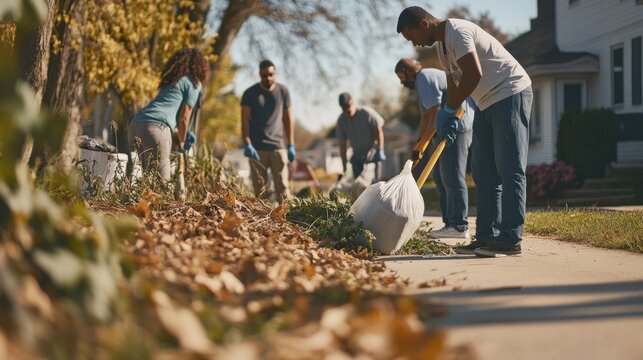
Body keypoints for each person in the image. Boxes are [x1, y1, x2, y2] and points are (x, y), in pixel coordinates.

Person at [397, 6, 533, 257]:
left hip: (509, 92)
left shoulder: (457, 32)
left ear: (424, 24)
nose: (415, 44)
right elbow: (454, 83)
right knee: (484, 173)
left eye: (411, 36)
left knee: (509, 167)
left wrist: (447, 110)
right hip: (484, 102)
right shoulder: (441, 46)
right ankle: (486, 236)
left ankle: (510, 237)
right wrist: (449, 110)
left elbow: (473, 73)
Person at [395, 58, 475, 239]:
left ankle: (459, 226)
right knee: (439, 175)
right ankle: (449, 224)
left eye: (401, 77)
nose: (401, 82)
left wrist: (424, 142)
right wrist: (419, 144)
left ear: (408, 71)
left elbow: (435, 112)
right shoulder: (423, 81)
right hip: (444, 127)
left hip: (455, 126)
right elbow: (426, 117)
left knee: (452, 175)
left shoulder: (423, 78)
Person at [129, 48, 208, 182]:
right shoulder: (194, 83)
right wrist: (182, 144)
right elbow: (184, 118)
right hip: (156, 128)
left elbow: (167, 112)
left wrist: (177, 134)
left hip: (136, 125)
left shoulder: (173, 81)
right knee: (162, 185)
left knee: (145, 182)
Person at [241, 60, 295, 199]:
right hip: (257, 149)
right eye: (265, 75)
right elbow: (245, 121)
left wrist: (291, 145)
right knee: (260, 191)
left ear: (275, 73)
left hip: (278, 147)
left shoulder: (283, 92)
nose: (268, 78)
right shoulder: (250, 93)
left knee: (283, 189)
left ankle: (286, 218)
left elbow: (288, 120)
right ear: (260, 74)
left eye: (271, 74)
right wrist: (247, 143)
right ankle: (262, 220)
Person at [336, 92, 386, 180]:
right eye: (344, 108)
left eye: (348, 106)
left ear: (352, 103)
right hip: (357, 157)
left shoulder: (366, 113)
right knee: (359, 185)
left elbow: (378, 129)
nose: (347, 110)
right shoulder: (341, 121)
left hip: (373, 154)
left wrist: (380, 149)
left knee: (375, 185)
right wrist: (344, 165)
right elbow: (342, 145)